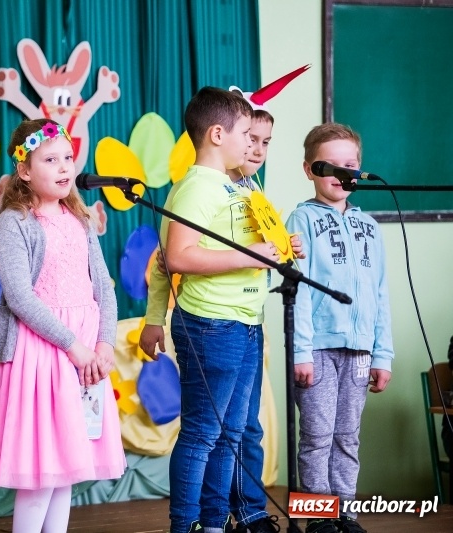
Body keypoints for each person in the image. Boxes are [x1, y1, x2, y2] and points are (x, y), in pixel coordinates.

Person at [0, 118, 126, 533]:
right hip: (41, 352)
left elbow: (103, 285)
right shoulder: (15, 222)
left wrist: (104, 343)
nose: (64, 167)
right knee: (43, 469)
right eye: (50, 160)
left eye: (68, 157)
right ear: (25, 170)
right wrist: (73, 345)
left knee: (66, 468)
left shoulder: (79, 217)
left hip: (84, 351)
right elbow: (20, 296)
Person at [161, 87, 283, 533]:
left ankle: (215, 524)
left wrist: (279, 250)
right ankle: (185, 525)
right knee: (202, 434)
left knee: (231, 434)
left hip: (245, 321)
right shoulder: (197, 186)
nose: (251, 144)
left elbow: (240, 243)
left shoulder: (235, 186)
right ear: (217, 135)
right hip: (213, 324)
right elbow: (178, 256)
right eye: (245, 134)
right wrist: (250, 256)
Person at [285, 123, 394, 533]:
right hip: (316, 350)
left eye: (349, 165)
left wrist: (383, 354)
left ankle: (345, 514)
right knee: (317, 435)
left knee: (347, 437)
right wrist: (300, 351)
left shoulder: (370, 227)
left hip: (361, 350)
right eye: (329, 165)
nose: (340, 173)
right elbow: (297, 291)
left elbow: (380, 292)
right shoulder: (301, 219)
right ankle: (318, 517)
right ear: (309, 169)